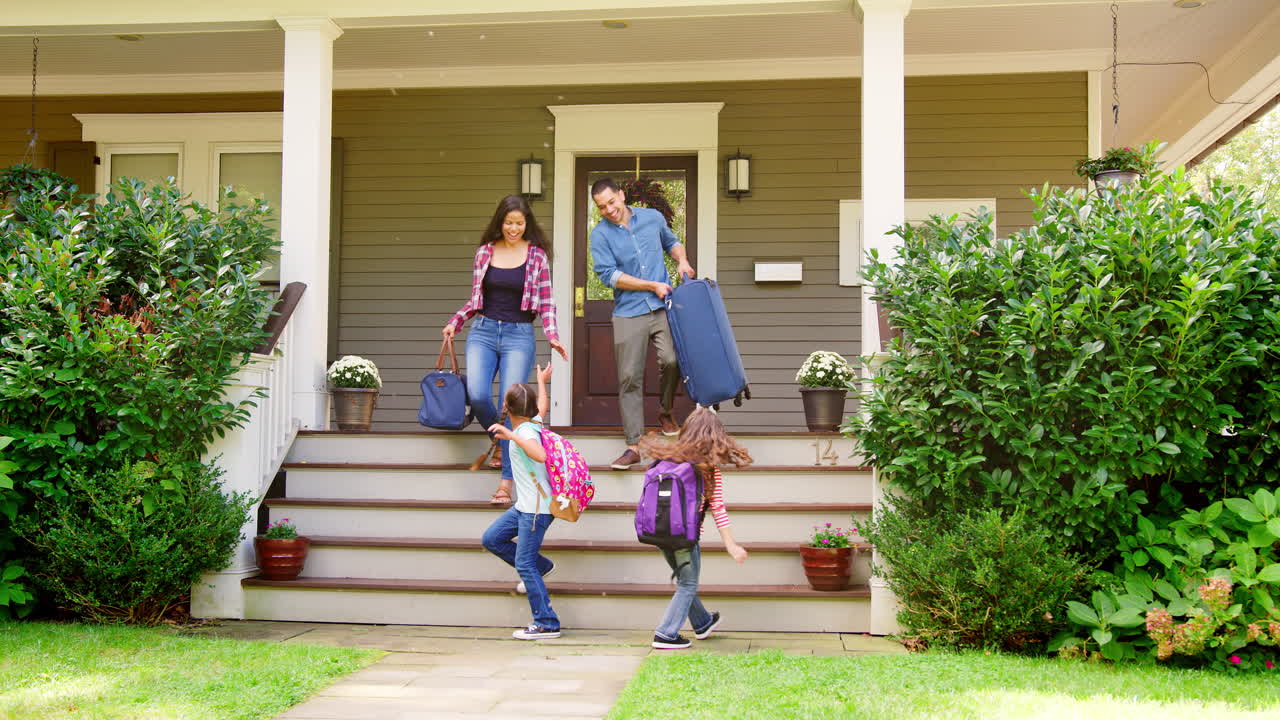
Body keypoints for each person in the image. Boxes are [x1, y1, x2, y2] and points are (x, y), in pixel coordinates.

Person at [444, 195, 567, 505]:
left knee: (510, 407)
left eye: (519, 223)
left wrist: (552, 335)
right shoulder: (485, 252)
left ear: (527, 225)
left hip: (518, 334)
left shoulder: (537, 256)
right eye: (509, 222)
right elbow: (475, 299)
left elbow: (547, 301)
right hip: (483, 331)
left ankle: (505, 485)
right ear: (500, 222)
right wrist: (456, 322)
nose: (513, 228)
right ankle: (498, 441)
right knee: (479, 394)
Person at [589, 177, 695, 470]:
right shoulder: (600, 235)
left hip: (661, 307)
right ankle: (634, 445)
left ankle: (665, 411)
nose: (609, 210)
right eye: (602, 207)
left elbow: (671, 242)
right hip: (628, 311)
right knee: (629, 377)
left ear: (621, 196)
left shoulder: (652, 218)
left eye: (611, 202)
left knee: (672, 361)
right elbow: (609, 275)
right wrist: (651, 285)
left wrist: (682, 261)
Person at [638, 406, 751, 650]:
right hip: (684, 535)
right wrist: (731, 545)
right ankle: (666, 634)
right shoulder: (707, 469)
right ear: (715, 436)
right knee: (688, 585)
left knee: (684, 581)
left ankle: (702, 622)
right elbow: (717, 507)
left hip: (658, 531)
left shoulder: (666, 457)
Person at [481, 363, 561, 640]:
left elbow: (540, 455)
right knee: (492, 538)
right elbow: (543, 408)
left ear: (507, 406)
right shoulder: (532, 422)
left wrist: (512, 435)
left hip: (536, 510)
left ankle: (547, 623)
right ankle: (542, 567)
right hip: (525, 507)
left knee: (523, 564)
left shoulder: (524, 431)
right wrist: (541, 382)